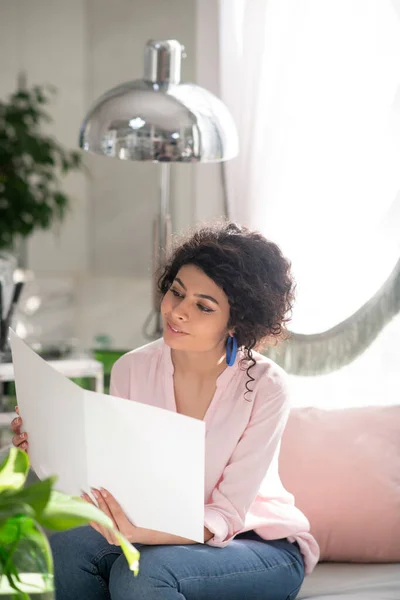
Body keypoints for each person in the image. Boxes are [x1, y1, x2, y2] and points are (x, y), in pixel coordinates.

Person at [11, 221, 319, 600]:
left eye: (203, 306)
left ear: (236, 322)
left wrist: (140, 534)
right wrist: (47, 450)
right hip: (159, 532)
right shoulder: (132, 369)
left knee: (143, 575)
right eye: (177, 292)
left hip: (257, 543)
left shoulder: (266, 386)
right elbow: (118, 479)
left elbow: (224, 516)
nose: (177, 312)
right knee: (68, 550)